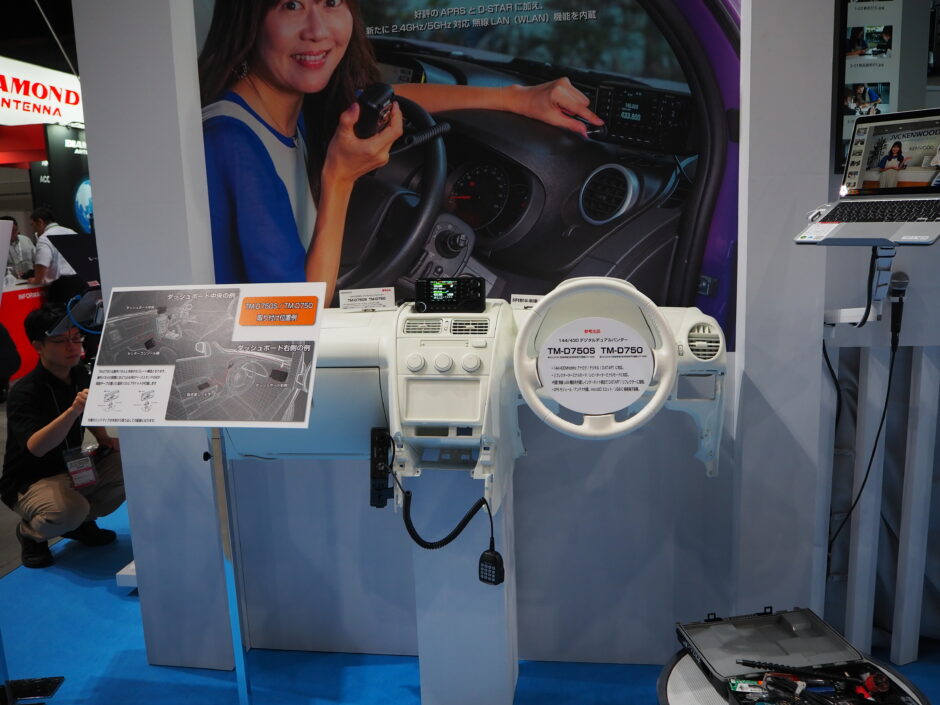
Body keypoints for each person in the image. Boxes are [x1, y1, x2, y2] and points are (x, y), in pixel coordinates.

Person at [199, 0, 603, 302]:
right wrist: (340, 179)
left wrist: (515, 99)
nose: (317, 30)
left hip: (321, 313)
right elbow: (295, 314)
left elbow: (378, 99)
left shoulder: (286, 110)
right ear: (247, 18)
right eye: (291, 5)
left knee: (482, 301)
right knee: (487, 303)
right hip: (282, 352)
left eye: (331, 2)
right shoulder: (233, 144)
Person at [1, 304, 124, 568]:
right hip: (31, 479)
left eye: (75, 338)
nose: (73, 347)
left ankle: (79, 524)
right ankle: (30, 533)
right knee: (68, 511)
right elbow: (37, 447)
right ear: (38, 346)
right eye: (60, 341)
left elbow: (90, 409)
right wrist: (73, 411)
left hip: (73, 466)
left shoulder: (79, 374)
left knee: (131, 467)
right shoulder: (24, 392)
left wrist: (104, 438)